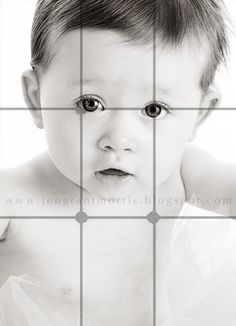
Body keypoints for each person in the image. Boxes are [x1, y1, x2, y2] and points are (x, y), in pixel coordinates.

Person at [1, 0, 236, 325]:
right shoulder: (13, 200)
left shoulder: (181, 175)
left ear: (200, 113)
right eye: (90, 103)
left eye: (154, 109)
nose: (118, 139)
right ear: (35, 97)